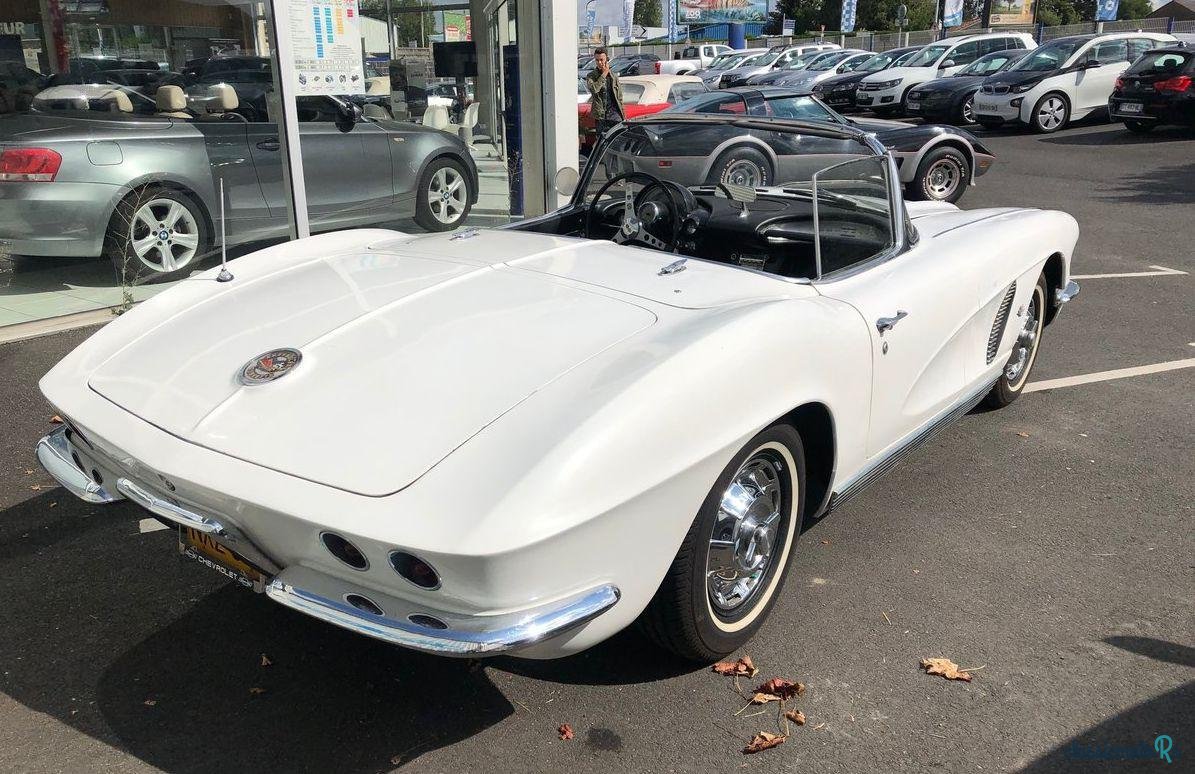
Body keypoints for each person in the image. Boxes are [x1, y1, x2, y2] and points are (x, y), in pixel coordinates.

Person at [585, 48, 624, 139]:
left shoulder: (613, 76)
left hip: (615, 115)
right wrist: (604, 73)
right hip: (601, 116)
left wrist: (623, 114)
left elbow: (619, 97)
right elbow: (594, 89)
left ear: (607, 59)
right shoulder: (591, 76)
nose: (599, 62)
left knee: (616, 140)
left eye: (601, 60)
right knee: (601, 141)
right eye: (597, 60)